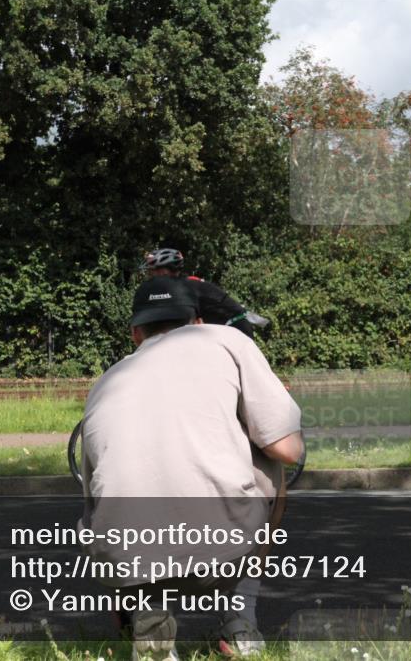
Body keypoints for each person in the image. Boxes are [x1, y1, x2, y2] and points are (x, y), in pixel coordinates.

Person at [79, 276, 303, 661]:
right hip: (223, 553)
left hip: (125, 559)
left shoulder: (106, 381)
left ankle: (147, 612)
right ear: (198, 322)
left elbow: (91, 495)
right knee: (270, 466)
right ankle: (239, 624)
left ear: (135, 333)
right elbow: (286, 449)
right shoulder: (227, 340)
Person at [141, 248, 258, 338]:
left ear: (164, 272)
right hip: (224, 328)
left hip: (236, 328)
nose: (150, 276)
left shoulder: (185, 288)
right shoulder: (182, 285)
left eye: (152, 272)